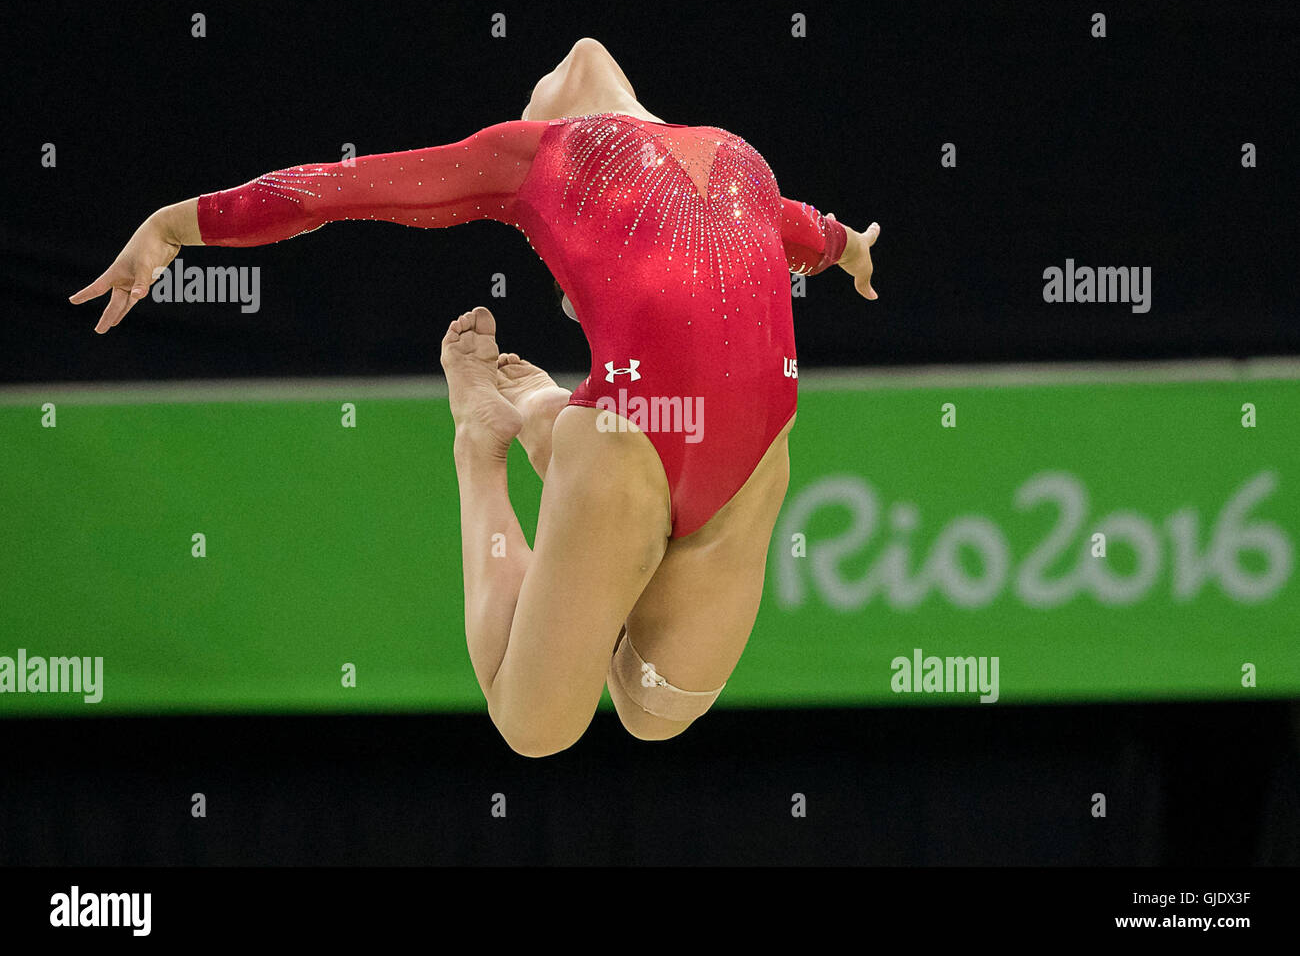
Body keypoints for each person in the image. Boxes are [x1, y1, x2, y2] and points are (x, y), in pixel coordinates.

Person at [68, 37, 881, 756]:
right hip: (676, 446)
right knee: (539, 726)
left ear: (546, 107)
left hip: (692, 452)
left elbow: (336, 189)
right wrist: (851, 250)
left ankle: (543, 424)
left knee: (654, 707)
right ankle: (484, 438)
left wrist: (176, 225)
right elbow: (806, 233)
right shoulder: (741, 154)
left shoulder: (538, 152)